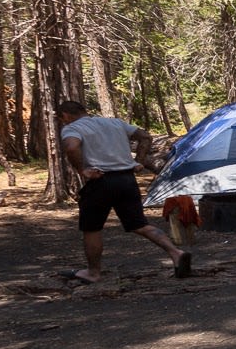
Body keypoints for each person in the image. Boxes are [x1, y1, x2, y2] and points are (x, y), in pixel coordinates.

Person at [56, 100, 191, 282]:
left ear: (65, 116)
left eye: (61, 119)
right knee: (139, 224)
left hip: (100, 181)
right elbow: (144, 136)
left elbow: (72, 147)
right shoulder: (114, 123)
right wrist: (140, 161)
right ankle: (176, 252)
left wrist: (82, 170)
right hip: (126, 180)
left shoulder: (72, 128)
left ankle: (93, 273)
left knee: (92, 228)